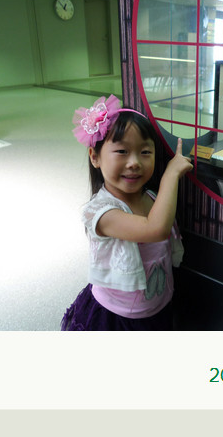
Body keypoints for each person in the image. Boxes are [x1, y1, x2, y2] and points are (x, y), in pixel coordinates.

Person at [61, 94, 193, 331]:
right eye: (122, 151)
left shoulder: (152, 198)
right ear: (95, 157)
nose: (134, 163)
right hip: (116, 317)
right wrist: (171, 175)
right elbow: (156, 229)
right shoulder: (102, 213)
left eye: (145, 152)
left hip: (158, 306)